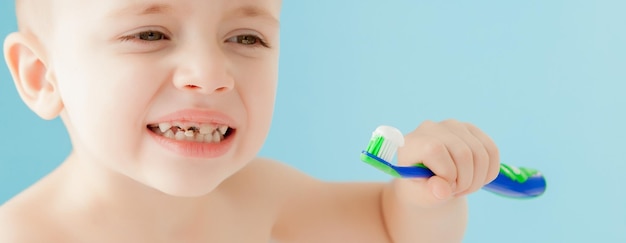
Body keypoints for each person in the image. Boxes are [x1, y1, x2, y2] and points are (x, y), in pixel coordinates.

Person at [0, 0, 500, 242]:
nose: (211, 75)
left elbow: (396, 232)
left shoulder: (266, 200)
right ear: (43, 76)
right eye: (150, 33)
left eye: (246, 39)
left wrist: (425, 191)